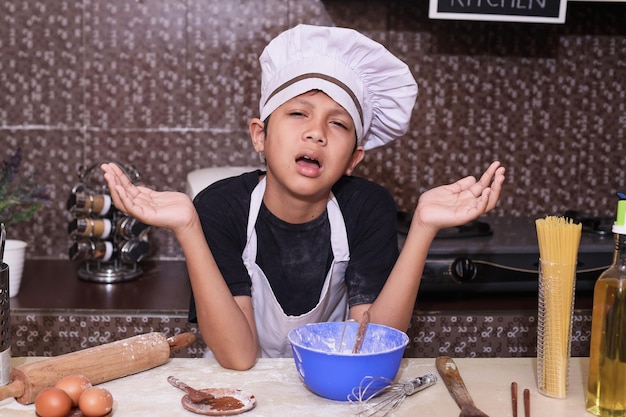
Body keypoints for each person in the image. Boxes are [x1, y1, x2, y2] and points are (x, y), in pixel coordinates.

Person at [101, 24, 505, 370]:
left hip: (337, 381)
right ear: (260, 135)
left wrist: (422, 228)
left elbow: (370, 344)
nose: (316, 132)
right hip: (240, 387)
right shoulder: (219, 207)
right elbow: (239, 357)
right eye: (298, 113)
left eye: (338, 123)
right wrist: (188, 228)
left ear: (353, 158)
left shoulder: (366, 208)